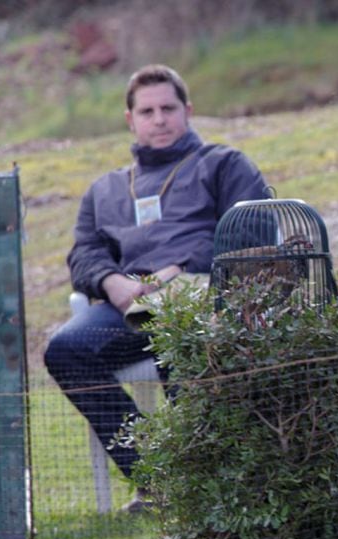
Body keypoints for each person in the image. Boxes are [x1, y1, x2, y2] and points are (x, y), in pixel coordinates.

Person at [45, 64, 270, 512]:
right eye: (147, 111)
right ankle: (158, 476)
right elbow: (85, 253)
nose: (160, 119)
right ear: (130, 119)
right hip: (128, 309)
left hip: (202, 301)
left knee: (181, 340)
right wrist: (113, 284)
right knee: (64, 350)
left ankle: (210, 482)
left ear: (187, 110)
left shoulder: (223, 164)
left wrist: (177, 272)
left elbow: (254, 229)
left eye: (168, 108)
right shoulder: (105, 189)